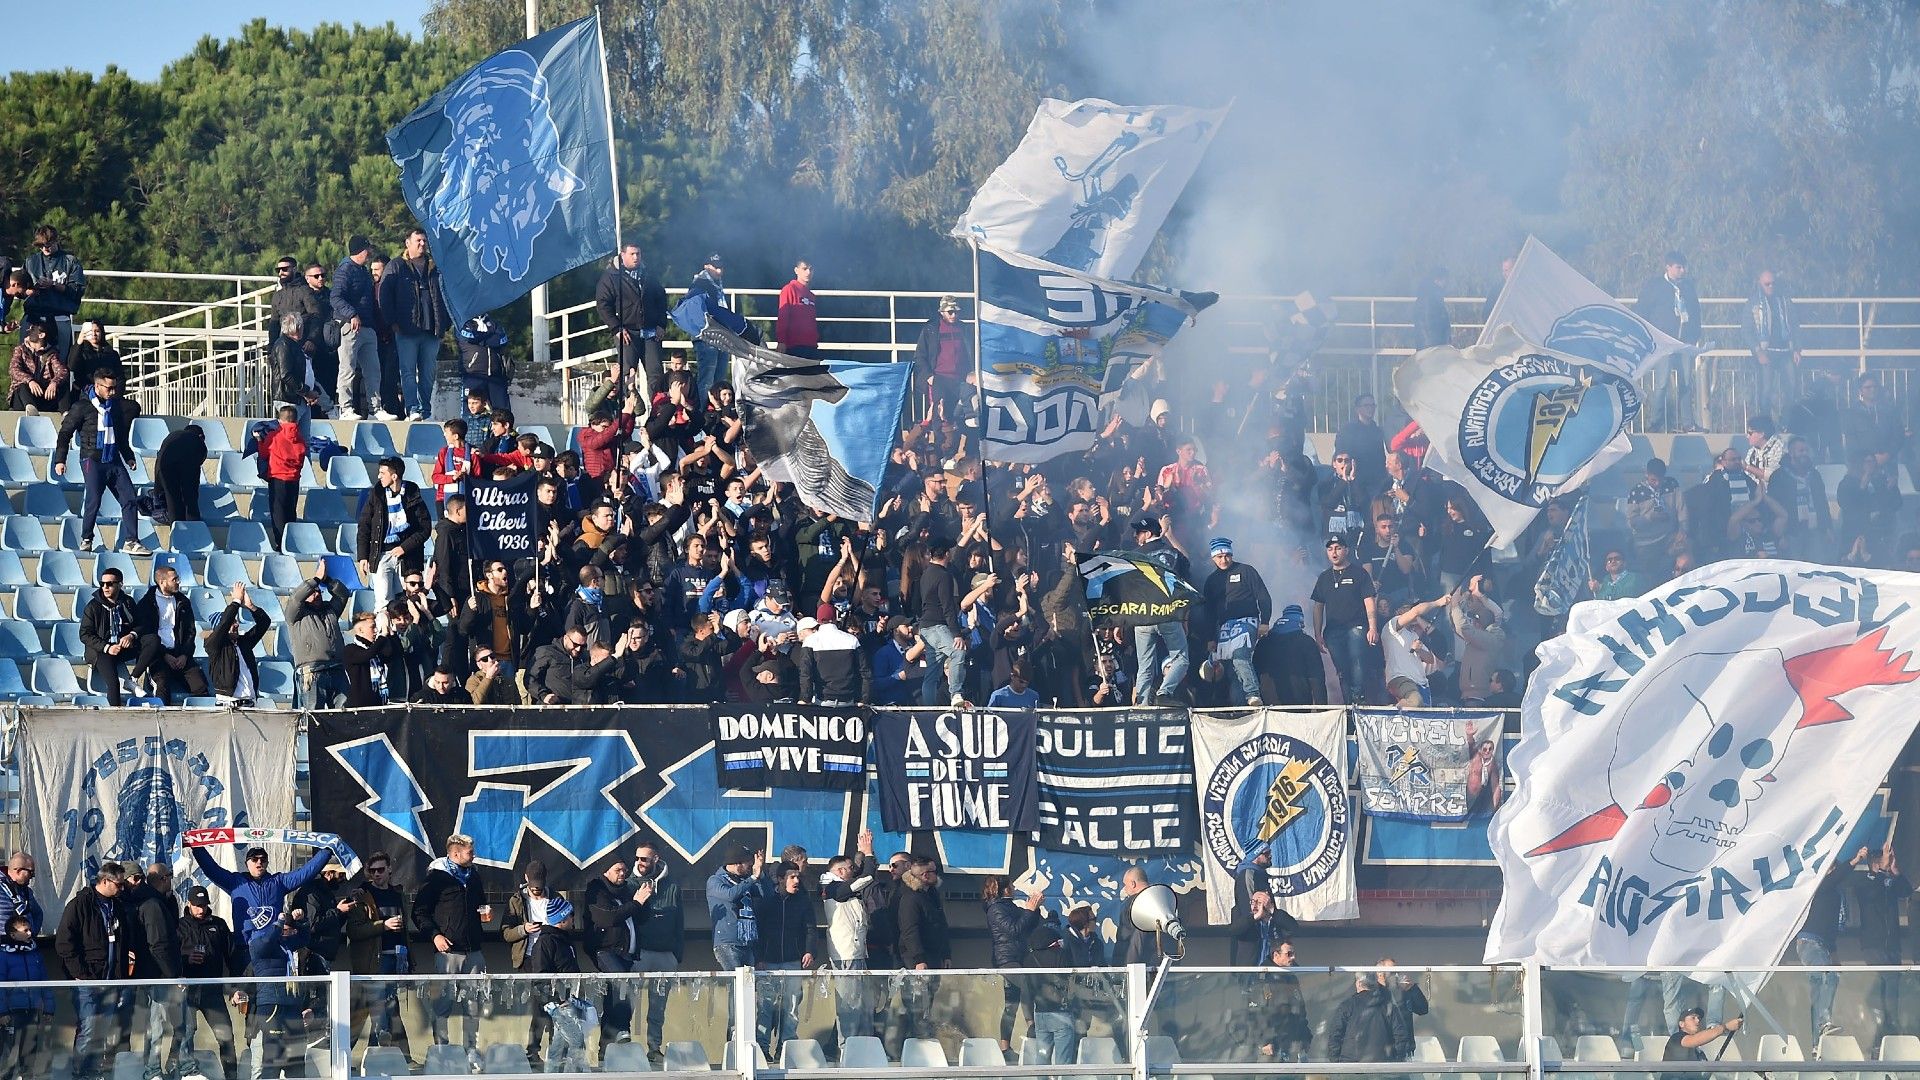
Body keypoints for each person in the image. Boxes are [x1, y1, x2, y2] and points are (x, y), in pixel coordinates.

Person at [55, 367, 149, 555]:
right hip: (92, 460)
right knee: (94, 500)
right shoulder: (82, 407)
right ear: (97, 386)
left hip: (113, 460)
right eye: (109, 388)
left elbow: (120, 435)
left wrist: (128, 456)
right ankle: (87, 537)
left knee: (129, 498)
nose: (113, 392)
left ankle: (132, 540)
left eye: (114, 388)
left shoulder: (115, 407)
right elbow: (65, 433)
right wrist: (60, 460)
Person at [55, 862, 132, 1080]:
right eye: (118, 884)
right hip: (87, 980)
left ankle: (94, 1071)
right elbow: (63, 943)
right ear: (105, 881)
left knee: (102, 1030)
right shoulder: (80, 904)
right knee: (88, 1028)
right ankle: (79, 1073)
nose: (122, 888)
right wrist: (79, 973)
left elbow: (122, 942)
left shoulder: (117, 906)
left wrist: (121, 977)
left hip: (111, 979)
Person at [414, 834, 488, 1049]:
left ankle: (471, 1050)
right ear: (455, 853)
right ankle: (441, 1049)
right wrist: (434, 935)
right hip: (448, 953)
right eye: (470, 852)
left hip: (474, 951)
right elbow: (419, 912)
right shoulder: (436, 878)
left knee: (474, 1005)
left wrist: (485, 912)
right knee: (442, 1005)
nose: (473, 856)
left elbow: (481, 904)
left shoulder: (474, 877)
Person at [503, 860, 576, 1066]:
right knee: (539, 1006)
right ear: (525, 879)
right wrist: (523, 929)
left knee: (558, 1003)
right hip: (528, 958)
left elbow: (568, 922)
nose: (536, 889)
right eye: (533, 885)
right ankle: (532, 1050)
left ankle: (557, 1048)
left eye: (540, 884)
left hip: (554, 953)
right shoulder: (517, 900)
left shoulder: (555, 897)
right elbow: (506, 933)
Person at [191, 842, 332, 947]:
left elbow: (305, 873)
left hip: (273, 947)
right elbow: (211, 869)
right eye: (254, 859)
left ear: (267, 863)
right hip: (246, 949)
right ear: (247, 863)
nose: (259, 862)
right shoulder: (235, 882)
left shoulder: (279, 882)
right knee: (245, 988)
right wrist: (196, 846)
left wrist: (327, 851)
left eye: (263, 859)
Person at [344, 851, 412, 1055]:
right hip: (375, 961)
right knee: (379, 1010)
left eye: (381, 870)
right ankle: (379, 1056)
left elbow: (406, 931)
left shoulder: (398, 894)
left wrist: (409, 958)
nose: (376, 874)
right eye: (372, 871)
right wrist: (383, 925)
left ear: (390, 869)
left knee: (391, 1008)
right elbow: (353, 931)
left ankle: (395, 1057)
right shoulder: (361, 896)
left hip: (397, 957)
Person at [752, 862, 821, 1058]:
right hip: (768, 962)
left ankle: (785, 1047)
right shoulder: (767, 901)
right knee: (766, 1006)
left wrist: (809, 951)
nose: (796, 880)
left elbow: (811, 928)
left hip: (792, 961)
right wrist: (759, 958)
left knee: (791, 1007)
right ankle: (762, 1048)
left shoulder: (803, 901)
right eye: (792, 877)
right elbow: (757, 932)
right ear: (780, 879)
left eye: (798, 877)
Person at [382, 227, 450, 420]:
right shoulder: (396, 266)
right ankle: (412, 408)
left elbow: (446, 295)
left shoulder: (435, 267)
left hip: (432, 329)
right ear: (408, 243)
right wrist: (392, 322)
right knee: (408, 371)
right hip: (406, 329)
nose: (422, 244)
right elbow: (385, 296)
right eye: (418, 240)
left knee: (428, 373)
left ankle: (426, 410)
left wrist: (444, 323)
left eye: (424, 241)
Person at [1632, 251, 1703, 432]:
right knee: (1662, 383)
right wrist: (1647, 335)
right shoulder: (1655, 286)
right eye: (1678, 267)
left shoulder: (1688, 287)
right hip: (1664, 342)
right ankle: (1655, 423)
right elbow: (1641, 309)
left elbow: (1696, 312)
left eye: (1683, 267)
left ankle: (1688, 423)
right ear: (1668, 267)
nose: (1682, 271)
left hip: (1684, 342)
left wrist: (1695, 335)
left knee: (1686, 382)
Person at [175, 885, 240, 1080]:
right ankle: (184, 1074)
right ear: (188, 904)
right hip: (187, 991)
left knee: (226, 1035)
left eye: (204, 905)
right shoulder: (179, 926)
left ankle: (232, 1076)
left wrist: (235, 988)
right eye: (197, 905)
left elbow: (232, 957)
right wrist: (186, 959)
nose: (201, 909)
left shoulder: (218, 925)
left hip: (212, 991)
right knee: (186, 1033)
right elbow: (169, 957)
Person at [357, 456, 433, 618]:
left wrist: (404, 547)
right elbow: (364, 525)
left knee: (407, 602)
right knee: (383, 603)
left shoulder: (412, 495)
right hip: (381, 555)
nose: (379, 476)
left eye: (382, 473)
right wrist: (363, 555)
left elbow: (425, 528)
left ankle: (407, 640)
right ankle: (384, 638)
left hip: (407, 557)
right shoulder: (376, 495)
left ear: (394, 476)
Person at [628, 841, 684, 1060]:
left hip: (665, 955)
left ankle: (654, 1048)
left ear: (656, 859)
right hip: (638, 954)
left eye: (645, 858)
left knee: (658, 1007)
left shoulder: (672, 886)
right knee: (628, 1003)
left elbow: (680, 922)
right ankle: (624, 1048)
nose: (640, 862)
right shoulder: (629, 883)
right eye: (637, 858)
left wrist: (676, 954)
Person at [1202, 536, 1273, 707]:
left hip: (1248, 621)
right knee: (1233, 669)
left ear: (1232, 555)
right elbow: (1209, 612)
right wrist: (1210, 638)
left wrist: (1265, 621)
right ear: (1213, 558)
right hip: (1225, 626)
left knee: (1240, 655)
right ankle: (1240, 708)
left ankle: (1253, 694)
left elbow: (1263, 597)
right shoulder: (1211, 581)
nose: (1223, 560)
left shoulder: (1246, 570)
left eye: (1227, 555)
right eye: (1219, 557)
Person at [125, 862, 180, 1076]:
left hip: (152, 972)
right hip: (157, 973)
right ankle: (153, 1069)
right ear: (163, 878)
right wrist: (172, 975)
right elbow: (159, 944)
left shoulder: (159, 901)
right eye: (170, 876)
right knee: (157, 1026)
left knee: (155, 1024)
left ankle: (154, 1068)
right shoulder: (151, 904)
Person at [821, 834, 877, 1043]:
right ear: (841, 871)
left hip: (857, 953)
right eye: (850, 868)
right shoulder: (834, 887)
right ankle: (848, 1047)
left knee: (863, 1003)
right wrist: (868, 852)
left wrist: (863, 853)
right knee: (850, 1004)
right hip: (846, 954)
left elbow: (863, 874)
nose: (853, 871)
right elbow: (866, 878)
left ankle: (863, 1045)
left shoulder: (841, 888)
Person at [332, 234, 393, 420]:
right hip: (350, 327)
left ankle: (376, 408)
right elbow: (335, 297)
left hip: (368, 327)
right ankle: (346, 408)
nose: (369, 253)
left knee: (373, 370)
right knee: (348, 369)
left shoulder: (363, 271)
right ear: (360, 250)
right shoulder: (345, 270)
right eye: (367, 249)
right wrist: (351, 314)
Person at [596, 243, 670, 398]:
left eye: (638, 254)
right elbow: (603, 305)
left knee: (656, 374)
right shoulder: (611, 277)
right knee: (627, 374)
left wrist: (661, 324)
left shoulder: (648, 274)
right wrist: (616, 328)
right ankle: (625, 413)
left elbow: (661, 299)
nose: (636, 257)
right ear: (622, 255)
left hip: (650, 331)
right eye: (632, 254)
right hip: (626, 331)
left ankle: (658, 413)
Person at [1312, 535, 1379, 705]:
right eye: (1330, 549)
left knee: (1356, 660)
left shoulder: (1359, 573)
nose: (1334, 552)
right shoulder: (1324, 577)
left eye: (1338, 548)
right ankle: (1349, 704)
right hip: (1333, 631)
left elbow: (1369, 601)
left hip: (1356, 626)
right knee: (1341, 669)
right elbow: (1318, 607)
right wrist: (1317, 634)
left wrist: (1372, 627)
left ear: (1346, 550)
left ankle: (1358, 697)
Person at [982, 876, 1045, 1053]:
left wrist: (1034, 909)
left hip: (1020, 956)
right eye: (1011, 885)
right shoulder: (995, 909)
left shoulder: (1009, 906)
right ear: (1005, 889)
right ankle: (1031, 1025)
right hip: (1007, 959)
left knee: (1011, 1004)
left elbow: (1028, 925)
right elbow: (1014, 929)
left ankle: (1005, 1047)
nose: (1014, 888)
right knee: (1026, 985)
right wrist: (1029, 910)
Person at [246, 912, 309, 1079]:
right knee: (273, 1056)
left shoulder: (284, 944)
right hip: (271, 1005)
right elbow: (267, 941)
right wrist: (279, 922)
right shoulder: (256, 943)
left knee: (296, 1056)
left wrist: (302, 921)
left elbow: (304, 938)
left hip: (291, 1003)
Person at [134, 565, 211, 701]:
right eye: (174, 579)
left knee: (201, 686)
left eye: (178, 578)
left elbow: (190, 632)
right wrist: (164, 655)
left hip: (181, 655)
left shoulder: (183, 602)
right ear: (162, 582)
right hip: (158, 656)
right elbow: (145, 635)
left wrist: (184, 655)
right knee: (162, 686)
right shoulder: (146, 604)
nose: (178, 582)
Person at [896, 856, 949, 1041]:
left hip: (934, 956)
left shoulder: (932, 896)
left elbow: (942, 925)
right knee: (917, 1003)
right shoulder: (910, 898)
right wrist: (919, 959)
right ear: (925, 875)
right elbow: (910, 930)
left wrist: (946, 953)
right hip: (917, 959)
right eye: (934, 871)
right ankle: (915, 1041)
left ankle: (925, 1037)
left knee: (929, 1000)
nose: (938, 875)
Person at [22, 224, 85, 360]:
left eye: (48, 244)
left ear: (56, 240)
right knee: (28, 358)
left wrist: (54, 285)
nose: (45, 248)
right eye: (41, 246)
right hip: (34, 316)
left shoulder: (70, 261)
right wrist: (32, 291)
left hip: (60, 315)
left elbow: (77, 290)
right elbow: (20, 290)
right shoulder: (31, 262)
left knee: (60, 359)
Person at [80, 567, 142, 706]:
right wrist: (107, 647)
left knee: (152, 641)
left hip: (123, 647)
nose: (105, 587)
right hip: (101, 651)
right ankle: (115, 716)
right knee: (114, 683)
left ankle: (133, 679)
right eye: (102, 584)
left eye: (109, 584)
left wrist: (131, 636)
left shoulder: (127, 602)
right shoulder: (93, 606)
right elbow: (85, 634)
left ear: (120, 585)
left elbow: (141, 624)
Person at [1746, 269, 1799, 425]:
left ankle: (1787, 423)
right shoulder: (1753, 303)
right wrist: (1758, 351)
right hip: (1766, 353)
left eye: (1772, 283)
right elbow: (1746, 330)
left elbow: (1795, 326)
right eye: (1766, 284)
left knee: (1791, 389)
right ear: (1759, 283)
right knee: (1766, 391)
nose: (1770, 286)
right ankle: (1766, 424)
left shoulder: (1785, 301)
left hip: (1785, 352)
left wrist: (1796, 348)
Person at [1324, 970, 1412, 1064]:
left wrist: (1336, 1062)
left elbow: (1335, 1035)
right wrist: (1396, 1061)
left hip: (1351, 1065)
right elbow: (1401, 1036)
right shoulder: (1388, 1006)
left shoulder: (1347, 1006)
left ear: (1358, 983)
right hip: (1382, 1065)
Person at [206, 581, 272, 705]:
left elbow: (264, 623)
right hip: (228, 705)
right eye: (232, 623)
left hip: (250, 703)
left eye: (236, 622)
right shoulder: (214, 645)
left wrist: (251, 606)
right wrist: (236, 601)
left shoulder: (244, 643)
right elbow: (224, 623)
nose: (236, 625)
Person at [913, 295, 972, 421]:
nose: (954, 315)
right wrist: (928, 376)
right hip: (939, 379)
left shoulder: (965, 329)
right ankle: (940, 440)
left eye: (956, 312)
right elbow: (919, 356)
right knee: (939, 417)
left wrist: (972, 373)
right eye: (950, 312)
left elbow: (973, 353)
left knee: (964, 416)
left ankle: (961, 439)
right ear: (942, 312)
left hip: (962, 379)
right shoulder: (931, 329)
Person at [708, 846, 765, 970]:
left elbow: (764, 895)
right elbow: (730, 895)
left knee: (748, 985)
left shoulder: (746, 881)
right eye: (748, 863)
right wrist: (753, 878)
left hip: (747, 942)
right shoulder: (715, 880)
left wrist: (760, 875)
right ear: (737, 863)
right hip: (728, 942)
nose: (751, 865)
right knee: (736, 984)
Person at [1664, 1008, 1743, 1080]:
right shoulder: (1676, 1038)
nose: (1698, 1020)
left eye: (1699, 1018)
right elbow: (1695, 1040)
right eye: (1693, 1018)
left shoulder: (1699, 1052)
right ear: (1681, 1024)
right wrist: (1725, 1027)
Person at [154, 421, 208, 522]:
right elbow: (197, 465)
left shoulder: (172, 436)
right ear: (201, 436)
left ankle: (176, 531)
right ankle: (193, 529)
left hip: (165, 466)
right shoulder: (198, 441)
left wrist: (157, 491)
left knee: (172, 501)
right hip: (186, 465)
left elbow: (159, 464)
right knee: (191, 500)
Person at [8, 321, 67, 413]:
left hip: (43, 394)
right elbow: (14, 369)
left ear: (41, 335)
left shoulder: (51, 353)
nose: (29, 332)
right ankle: (31, 410)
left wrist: (54, 383)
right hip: (24, 396)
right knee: (21, 386)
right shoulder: (21, 349)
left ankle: (65, 414)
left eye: (33, 330)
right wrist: (30, 381)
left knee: (62, 386)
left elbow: (62, 371)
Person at [777, 258, 821, 358]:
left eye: (811, 269)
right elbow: (783, 317)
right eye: (804, 269)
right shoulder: (789, 289)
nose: (808, 272)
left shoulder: (811, 296)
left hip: (811, 346)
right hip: (794, 346)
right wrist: (781, 341)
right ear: (796, 270)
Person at [0, 854, 41, 937]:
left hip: (25, 945)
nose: (32, 876)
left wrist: (31, 934)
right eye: (30, 872)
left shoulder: (26, 891)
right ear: (18, 871)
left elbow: (38, 913)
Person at [1413, 266, 1451, 348]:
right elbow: (1426, 319)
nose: (1447, 282)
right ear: (1437, 279)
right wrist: (1430, 344)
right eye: (1445, 279)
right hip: (1431, 344)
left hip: (1431, 343)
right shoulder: (1431, 296)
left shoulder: (1429, 294)